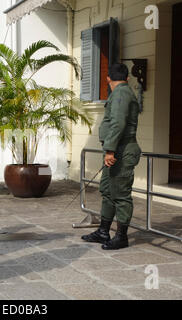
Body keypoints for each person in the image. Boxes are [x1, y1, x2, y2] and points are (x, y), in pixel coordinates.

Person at [81, 63, 141, 250]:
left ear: (108, 79)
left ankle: (121, 237)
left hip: (121, 151)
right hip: (116, 150)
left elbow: (118, 123)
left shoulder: (121, 93)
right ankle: (103, 231)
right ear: (127, 78)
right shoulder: (120, 92)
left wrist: (110, 150)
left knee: (121, 195)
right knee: (107, 191)